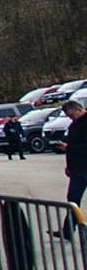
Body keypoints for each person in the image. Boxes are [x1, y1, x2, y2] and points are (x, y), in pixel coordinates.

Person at [54, 102, 87, 240]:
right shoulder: (74, 126)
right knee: (72, 199)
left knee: (73, 199)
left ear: (79, 109)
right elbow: (72, 146)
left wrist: (69, 147)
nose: (71, 118)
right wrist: (68, 165)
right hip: (77, 169)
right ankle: (68, 229)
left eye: (72, 115)